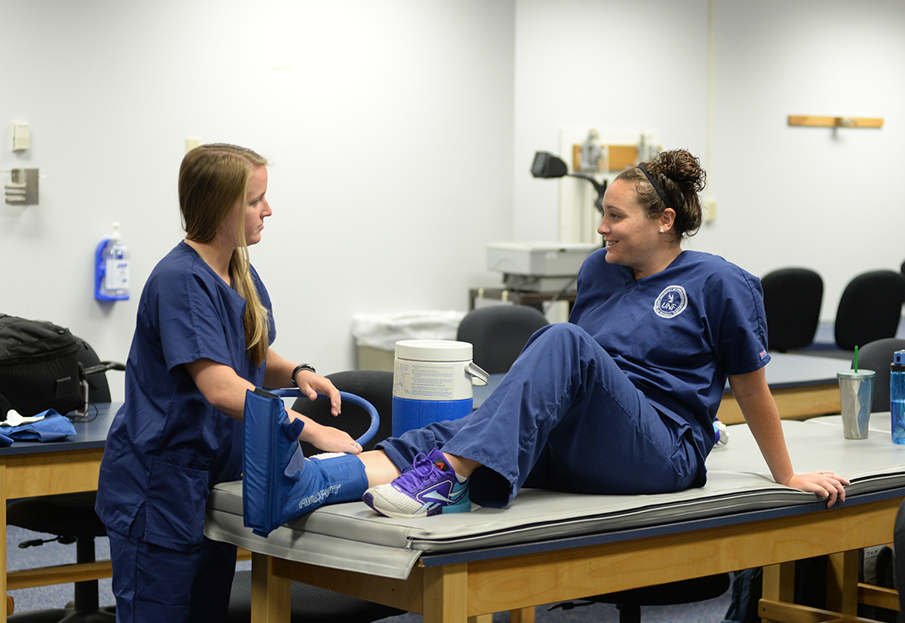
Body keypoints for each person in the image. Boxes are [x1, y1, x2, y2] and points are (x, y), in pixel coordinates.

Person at [257, 149, 848, 523]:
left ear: (664, 221)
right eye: (603, 214)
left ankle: (449, 477)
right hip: (587, 441)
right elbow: (574, 382)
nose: (602, 226)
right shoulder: (598, 269)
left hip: (661, 451)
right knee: (452, 429)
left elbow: (751, 389)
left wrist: (787, 475)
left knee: (561, 342)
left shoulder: (720, 282)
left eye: (616, 216)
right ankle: (310, 485)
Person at [95, 143, 363, 623]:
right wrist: (313, 430)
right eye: (257, 199)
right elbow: (220, 386)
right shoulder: (179, 280)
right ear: (222, 207)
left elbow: (250, 351)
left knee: (205, 613)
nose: (269, 209)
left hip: (209, 481)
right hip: (160, 485)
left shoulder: (237, 268)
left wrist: (298, 373)